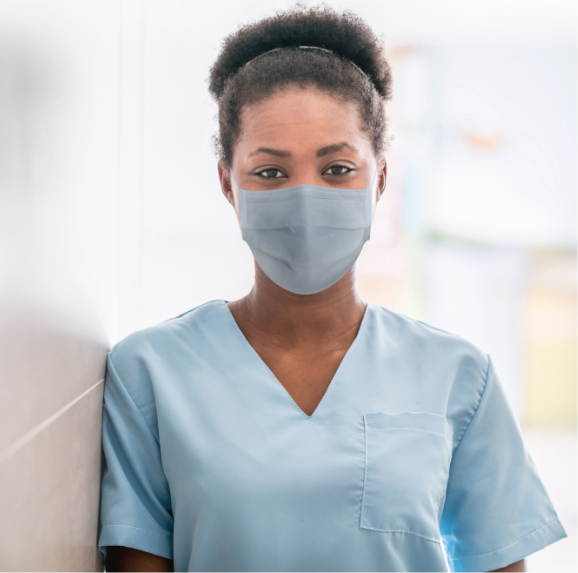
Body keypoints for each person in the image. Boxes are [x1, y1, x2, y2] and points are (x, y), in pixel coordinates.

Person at [98, 6, 566, 573]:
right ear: (228, 184)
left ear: (381, 179)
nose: (305, 197)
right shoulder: (149, 371)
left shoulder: (458, 375)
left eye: (338, 169)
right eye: (270, 172)